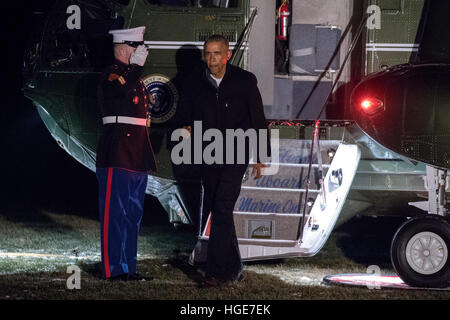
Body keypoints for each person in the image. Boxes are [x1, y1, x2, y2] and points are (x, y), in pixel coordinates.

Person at [177, 34, 271, 286]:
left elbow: (258, 119)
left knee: (221, 207)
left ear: (227, 54)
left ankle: (215, 273)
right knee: (217, 210)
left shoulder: (245, 81)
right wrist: (187, 127)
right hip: (208, 153)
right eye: (207, 53)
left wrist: (260, 158)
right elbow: (186, 113)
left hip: (236, 152)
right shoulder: (194, 81)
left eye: (216, 53)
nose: (211, 58)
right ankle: (233, 267)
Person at [96, 26, 157, 281]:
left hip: (136, 154)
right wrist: (136, 69)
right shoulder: (112, 75)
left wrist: (135, 72)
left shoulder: (134, 78)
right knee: (115, 214)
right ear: (122, 48)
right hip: (118, 152)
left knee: (133, 215)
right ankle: (114, 269)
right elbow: (116, 93)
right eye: (134, 47)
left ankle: (129, 267)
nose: (138, 52)